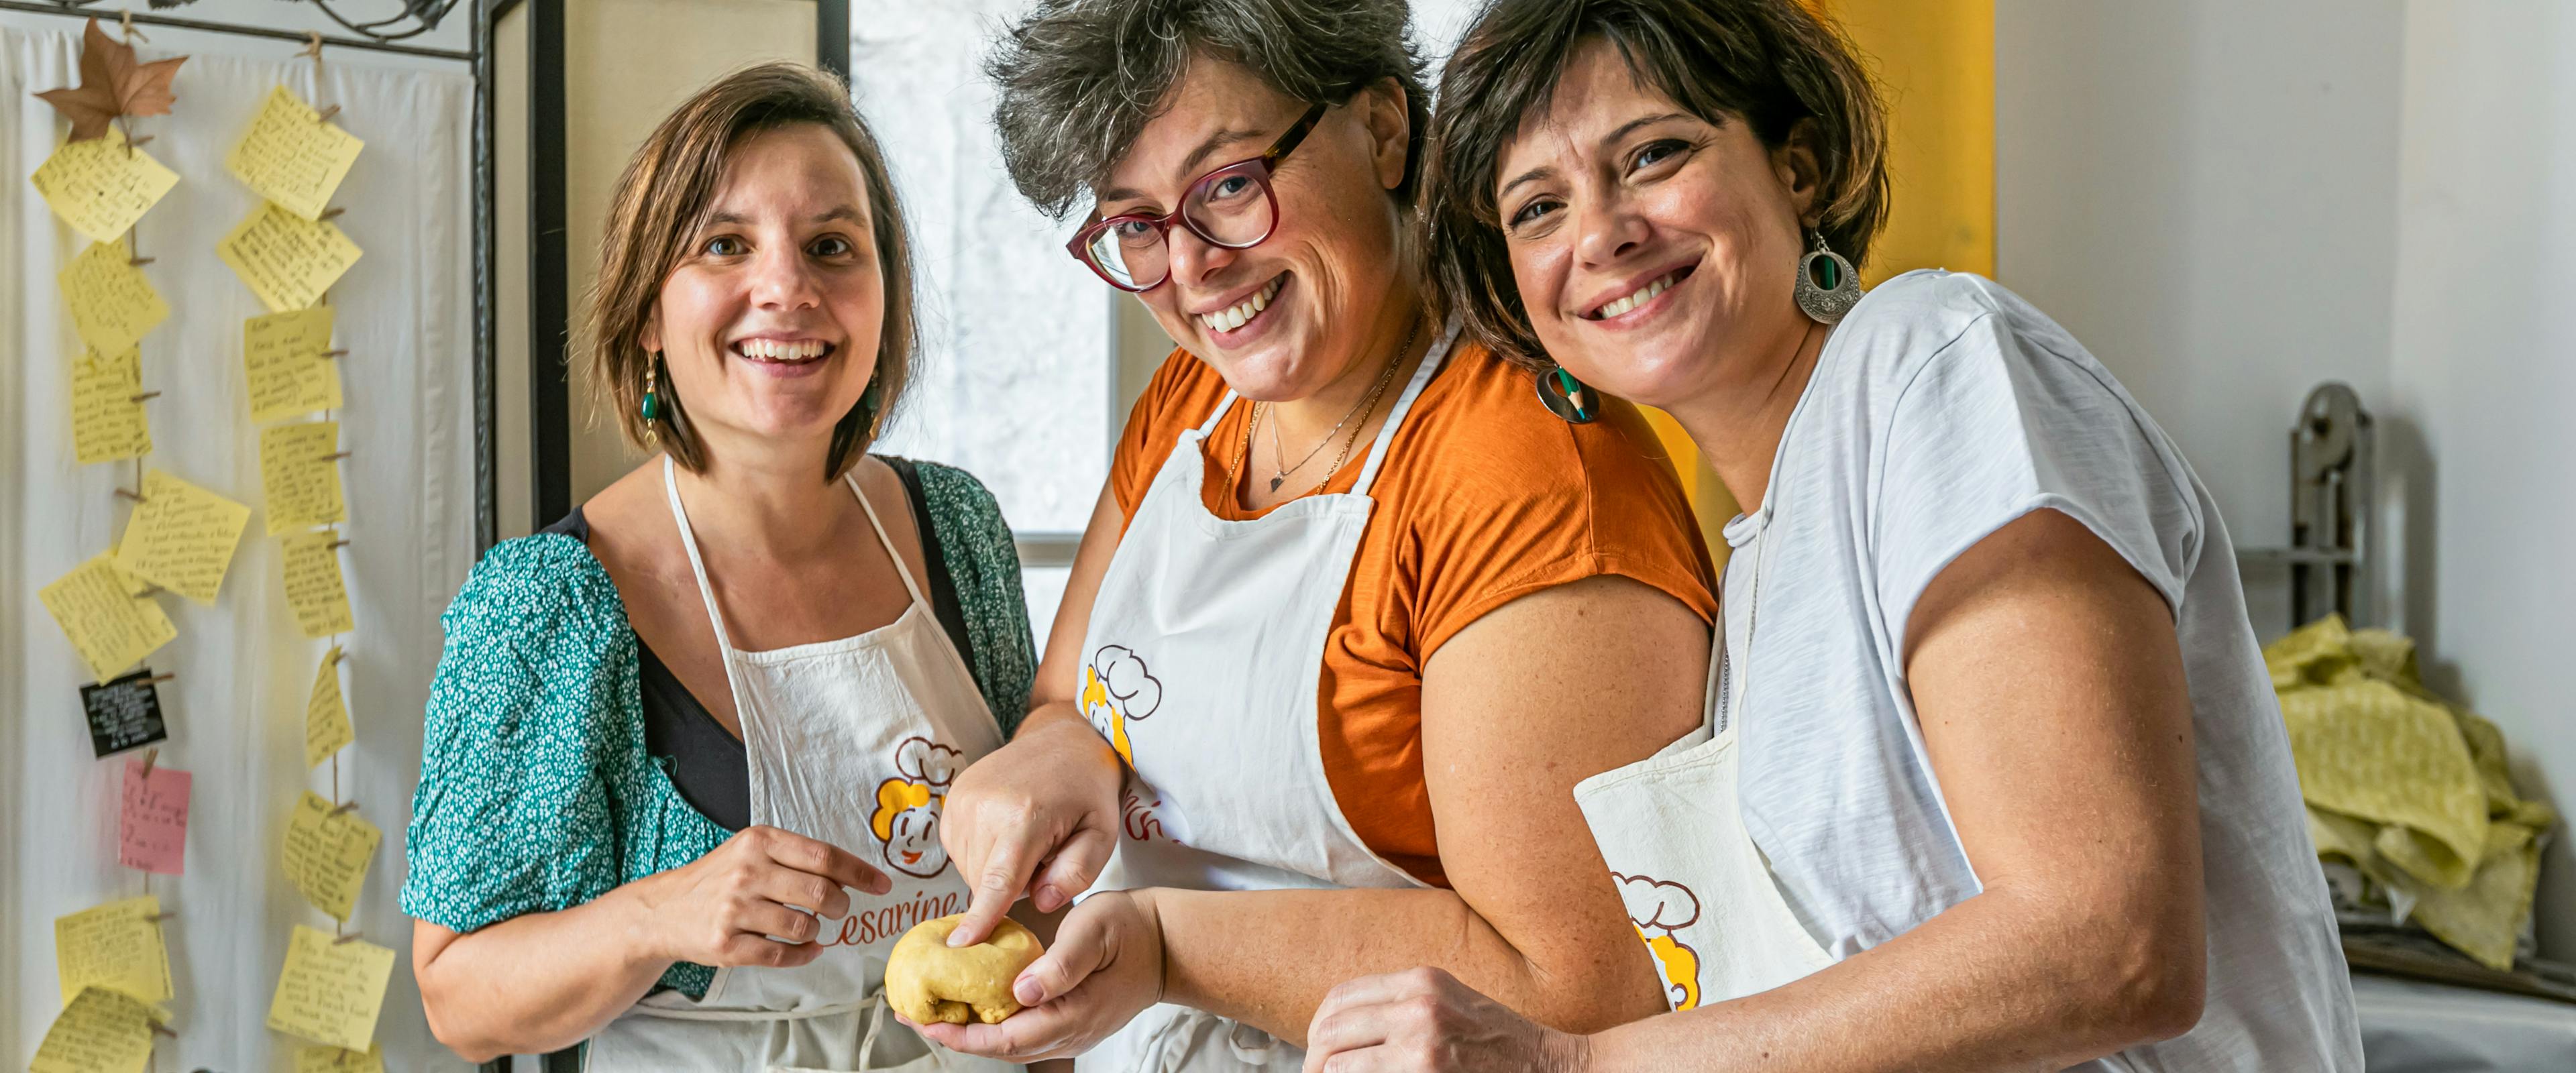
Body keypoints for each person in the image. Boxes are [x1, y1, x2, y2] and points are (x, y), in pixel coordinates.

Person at [1299, 1, 2366, 1069]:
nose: (1601, 234)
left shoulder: (1933, 365)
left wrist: (1576, 1064)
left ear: (1798, 166)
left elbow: (2109, 945)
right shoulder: (1760, 563)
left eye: (1655, 155)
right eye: (1538, 209)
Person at [910, 1, 1722, 1068]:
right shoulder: (1194, 406)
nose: (1192, 267)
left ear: (1384, 128)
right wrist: (1055, 751)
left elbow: (1577, 990)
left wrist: (1169, 948)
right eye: (1136, 224)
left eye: (1228, 186)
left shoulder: (1528, 480)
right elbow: (1069, 697)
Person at [401, 63, 1040, 1071]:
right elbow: (457, 996)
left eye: (832, 246)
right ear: (649, 314)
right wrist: (658, 913)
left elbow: (1031, 870)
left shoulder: (957, 527)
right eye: (725, 245)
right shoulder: (547, 603)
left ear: (885, 298)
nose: (788, 289)